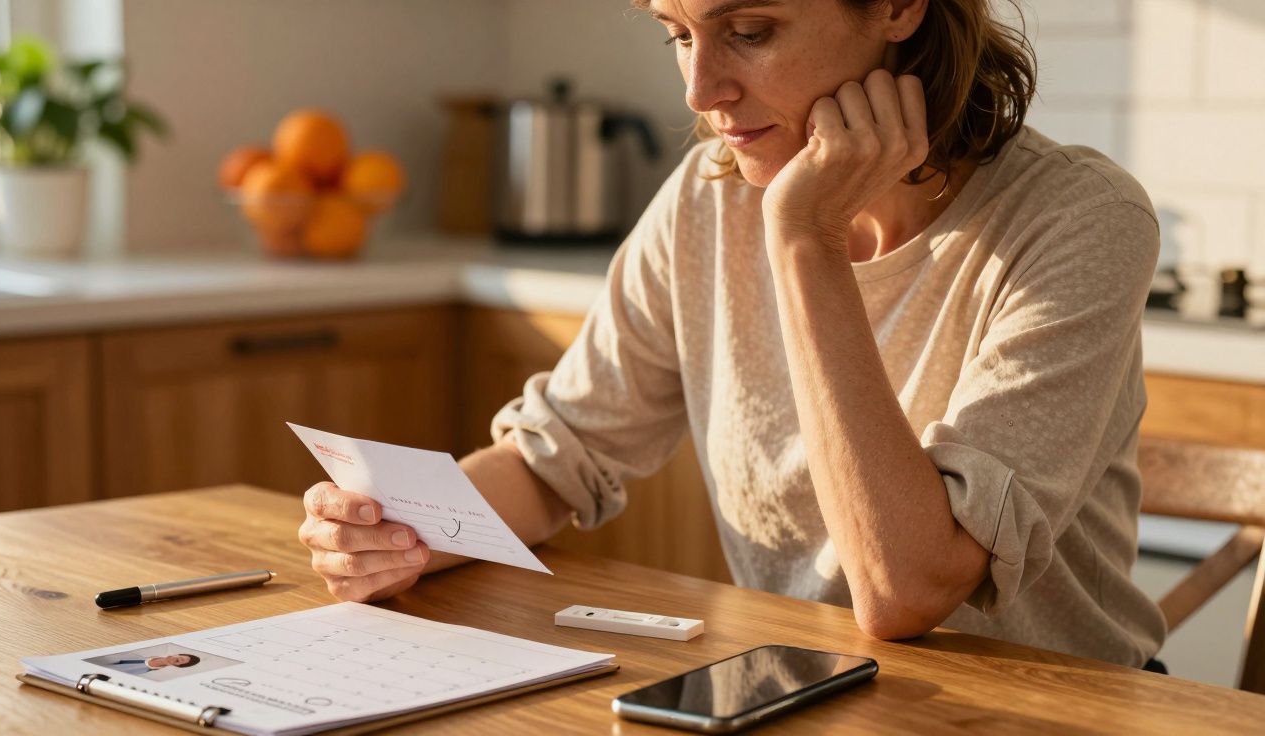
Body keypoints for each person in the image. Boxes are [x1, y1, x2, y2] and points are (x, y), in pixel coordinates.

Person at [298, 0, 1167, 668]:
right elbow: (556, 455)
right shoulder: (708, 195)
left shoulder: (1080, 220)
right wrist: (397, 529)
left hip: (1053, 711)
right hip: (812, 694)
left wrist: (803, 240)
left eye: (749, 29)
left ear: (900, 9)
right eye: (678, 31)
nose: (698, 89)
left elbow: (907, 591)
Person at [99, 653, 201, 675]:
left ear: (178, 666)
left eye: (182, 662)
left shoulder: (145, 674)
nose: (179, 659)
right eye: (181, 657)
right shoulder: (140, 654)